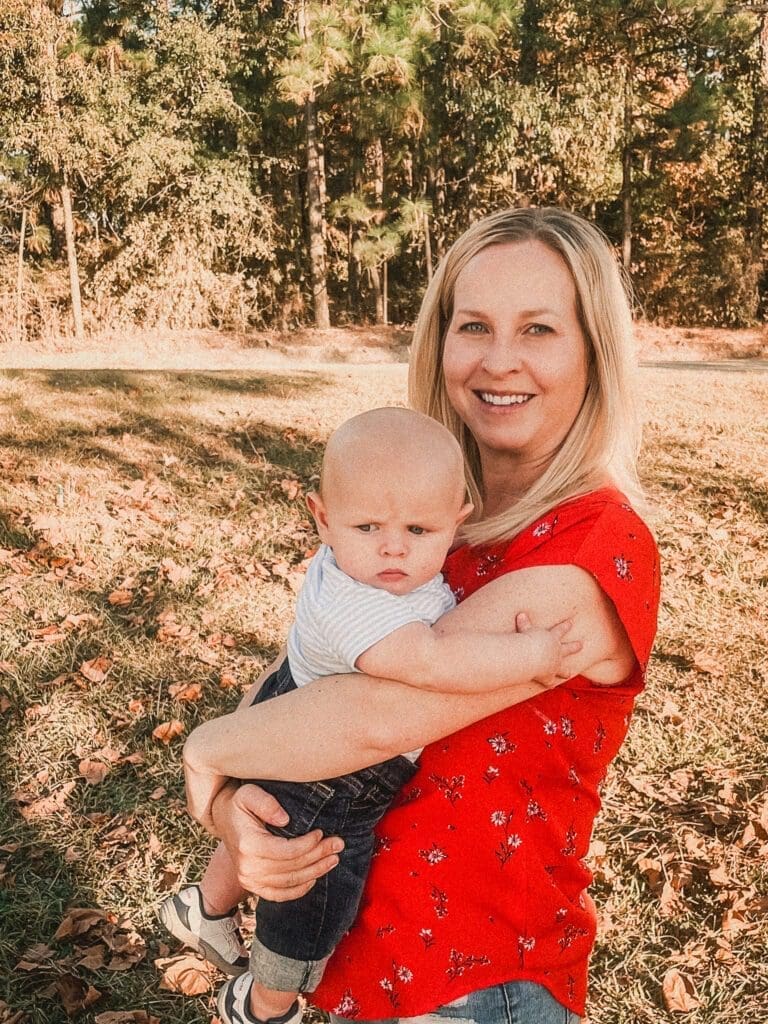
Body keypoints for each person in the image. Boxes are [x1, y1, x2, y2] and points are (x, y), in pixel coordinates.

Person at [181, 207, 661, 1024]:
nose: (498, 360)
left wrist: (206, 754)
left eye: (539, 328)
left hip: (470, 982)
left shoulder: (594, 548)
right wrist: (236, 812)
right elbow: (313, 667)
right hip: (354, 956)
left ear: (593, 353)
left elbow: (366, 717)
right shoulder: (423, 519)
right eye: (473, 325)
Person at [164, 406, 581, 1018]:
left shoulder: (348, 567)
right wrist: (531, 654)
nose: (392, 548)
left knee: (255, 809)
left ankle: (206, 907)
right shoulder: (363, 604)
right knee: (314, 886)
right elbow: (432, 662)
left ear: (456, 524)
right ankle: (266, 1002)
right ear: (323, 519)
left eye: (418, 531)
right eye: (367, 527)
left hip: (294, 701)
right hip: (335, 774)